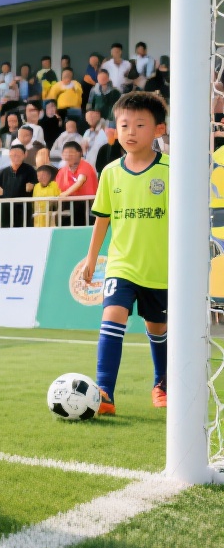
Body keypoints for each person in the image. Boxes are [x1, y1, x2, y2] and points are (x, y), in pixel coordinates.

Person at [82, 92, 170, 415]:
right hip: (121, 265)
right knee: (112, 317)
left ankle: (162, 384)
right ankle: (104, 393)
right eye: (124, 125)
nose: (130, 132)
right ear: (115, 130)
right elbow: (102, 219)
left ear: (158, 129)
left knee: (157, 328)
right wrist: (92, 259)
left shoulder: (171, 171)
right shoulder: (110, 173)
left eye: (140, 124)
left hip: (160, 268)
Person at [0, 140, 37, 227]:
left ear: (24, 155)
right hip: (5, 210)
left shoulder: (30, 170)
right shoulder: (1, 173)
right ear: (9, 155)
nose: (16, 157)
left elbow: (31, 187)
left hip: (24, 210)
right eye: (13, 154)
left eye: (19, 154)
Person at [56, 141, 98, 226]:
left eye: (71, 153)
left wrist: (65, 194)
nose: (68, 156)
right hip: (68, 206)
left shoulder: (85, 165)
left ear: (79, 153)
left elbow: (80, 181)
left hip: (86, 206)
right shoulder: (62, 171)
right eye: (66, 153)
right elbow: (57, 189)